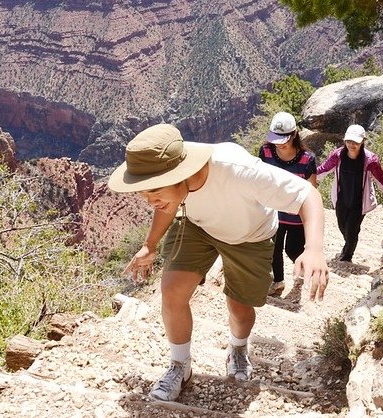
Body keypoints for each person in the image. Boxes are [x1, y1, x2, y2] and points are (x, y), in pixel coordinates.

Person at [108, 123, 328, 402]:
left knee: (239, 308)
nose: (151, 202)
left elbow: (308, 195)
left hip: (249, 236)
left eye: (155, 192)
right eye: (144, 194)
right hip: (196, 225)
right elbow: (168, 204)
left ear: (181, 175)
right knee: (172, 290)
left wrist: (314, 249)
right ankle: (180, 366)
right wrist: (148, 245)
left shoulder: (239, 171)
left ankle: (238, 348)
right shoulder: (170, 182)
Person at [317, 124, 383, 262]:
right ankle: (347, 246)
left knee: (352, 230)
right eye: (349, 141)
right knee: (342, 226)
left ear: (362, 141)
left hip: (359, 202)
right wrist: (306, 175)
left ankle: (347, 257)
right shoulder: (338, 155)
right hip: (342, 198)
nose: (351, 144)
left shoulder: (370, 159)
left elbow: (381, 179)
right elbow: (323, 169)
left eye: (355, 142)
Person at [258, 112, 318, 296]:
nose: (279, 143)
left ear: (294, 134)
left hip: (295, 214)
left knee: (293, 249)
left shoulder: (307, 159)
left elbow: (312, 190)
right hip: (272, 211)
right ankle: (278, 282)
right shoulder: (265, 152)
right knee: (273, 249)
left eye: (283, 138)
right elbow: (259, 179)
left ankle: (301, 270)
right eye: (276, 139)